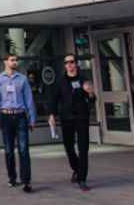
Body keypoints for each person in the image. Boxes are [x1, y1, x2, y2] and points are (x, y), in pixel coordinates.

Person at [0, 54, 37, 193]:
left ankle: (26, 181)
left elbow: (29, 100)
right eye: (12, 60)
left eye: (16, 60)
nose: (15, 62)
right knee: (9, 150)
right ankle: (12, 178)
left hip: (21, 117)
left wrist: (32, 119)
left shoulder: (22, 79)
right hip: (5, 117)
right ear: (5, 62)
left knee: (23, 149)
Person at [49, 54, 96, 191]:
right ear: (65, 65)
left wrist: (91, 93)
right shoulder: (60, 81)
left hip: (81, 118)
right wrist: (52, 115)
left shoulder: (83, 79)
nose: (69, 64)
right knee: (69, 147)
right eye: (66, 62)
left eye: (72, 62)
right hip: (66, 118)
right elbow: (54, 99)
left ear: (76, 64)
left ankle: (82, 179)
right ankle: (76, 168)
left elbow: (92, 100)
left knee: (83, 148)